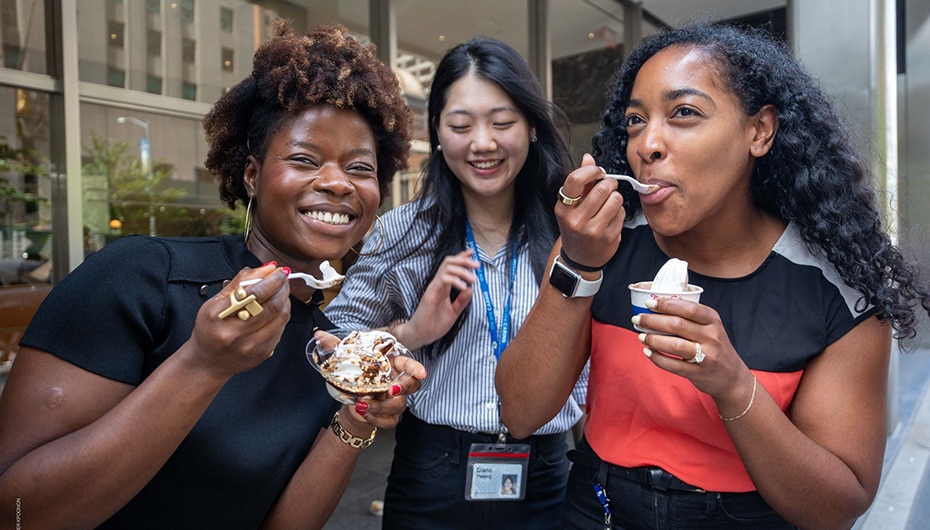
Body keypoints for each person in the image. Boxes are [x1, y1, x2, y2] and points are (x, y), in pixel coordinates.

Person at [496, 21, 930, 529]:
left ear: (759, 131)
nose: (647, 144)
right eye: (636, 121)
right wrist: (577, 263)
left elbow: (836, 507)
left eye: (684, 113)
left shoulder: (836, 293)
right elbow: (520, 413)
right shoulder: (601, 246)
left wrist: (732, 384)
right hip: (599, 508)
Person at [0, 21, 425, 529]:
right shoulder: (141, 278)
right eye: (304, 159)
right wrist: (202, 365)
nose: (336, 182)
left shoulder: (326, 350)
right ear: (250, 175)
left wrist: (357, 418)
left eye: (360, 168)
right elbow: (20, 515)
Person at [325, 37, 580, 529]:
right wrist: (412, 333)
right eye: (461, 125)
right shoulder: (402, 231)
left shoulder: (572, 232)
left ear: (530, 128)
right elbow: (335, 338)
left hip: (549, 471)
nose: (482, 143)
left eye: (502, 123)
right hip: (432, 473)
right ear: (438, 132)